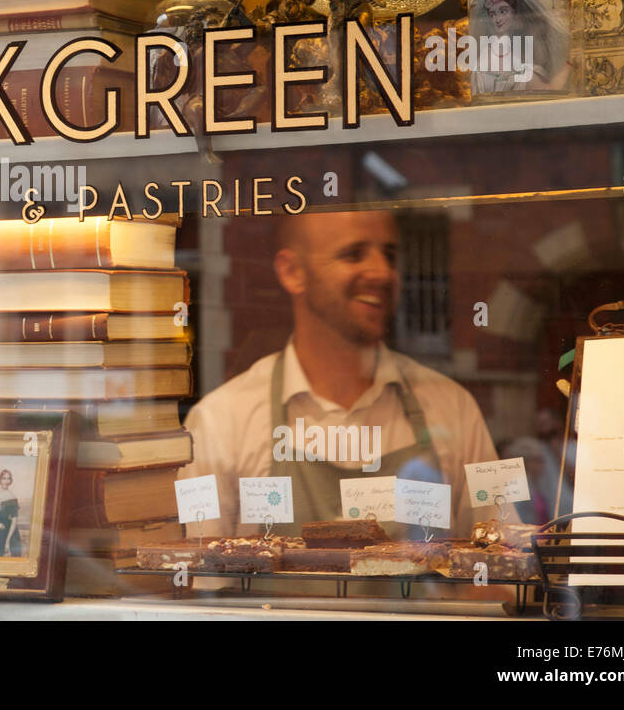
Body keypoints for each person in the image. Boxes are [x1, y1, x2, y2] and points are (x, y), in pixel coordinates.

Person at [182, 210, 498, 538]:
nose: (382, 272)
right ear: (292, 272)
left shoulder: (453, 409)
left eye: (389, 255)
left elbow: (501, 563)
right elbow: (204, 583)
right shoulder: (221, 423)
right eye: (353, 254)